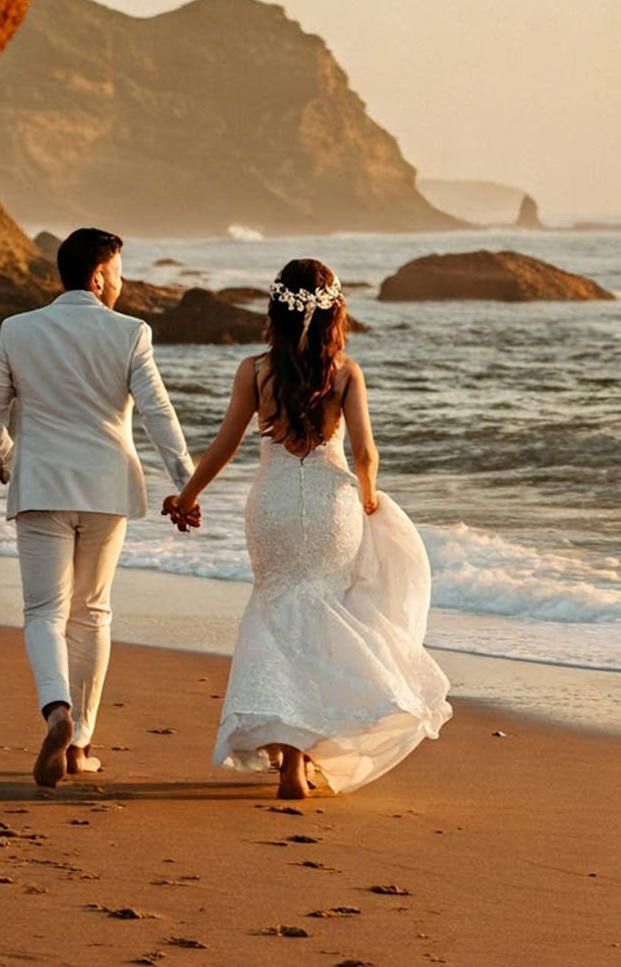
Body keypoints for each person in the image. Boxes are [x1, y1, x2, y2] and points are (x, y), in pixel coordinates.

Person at [169, 258, 450, 797]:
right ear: (335, 312)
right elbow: (365, 453)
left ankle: (288, 757)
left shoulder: (254, 370)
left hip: (272, 501)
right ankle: (303, 752)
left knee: (276, 612)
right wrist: (368, 501)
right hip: (331, 504)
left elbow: (225, 444)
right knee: (322, 615)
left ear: (275, 308)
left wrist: (187, 496)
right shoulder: (344, 370)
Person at [0, 227, 200, 788]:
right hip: (106, 490)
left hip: (41, 488)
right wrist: (185, 486)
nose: (123, 283)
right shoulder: (130, 333)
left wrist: (11, 462)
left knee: (45, 612)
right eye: (119, 273)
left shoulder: (18, 330)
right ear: (99, 277)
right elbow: (158, 415)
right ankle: (80, 746)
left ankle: (57, 712)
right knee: (92, 612)